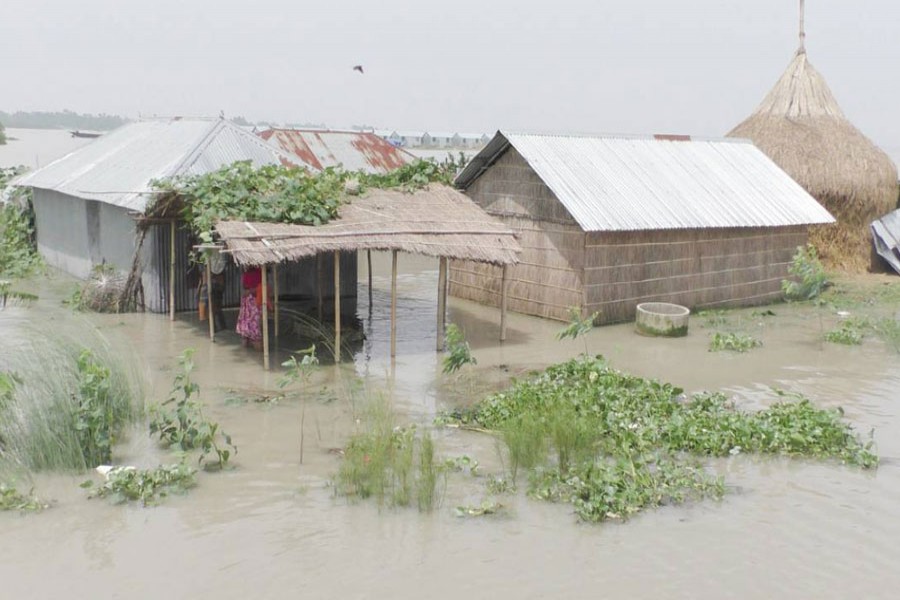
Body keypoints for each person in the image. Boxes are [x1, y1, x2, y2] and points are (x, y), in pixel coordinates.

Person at [236, 267, 263, 349]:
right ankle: (254, 342)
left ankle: (250, 341)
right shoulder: (258, 272)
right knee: (254, 326)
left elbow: (246, 287)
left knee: (249, 325)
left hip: (251, 300)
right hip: (252, 301)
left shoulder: (255, 272)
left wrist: (249, 291)